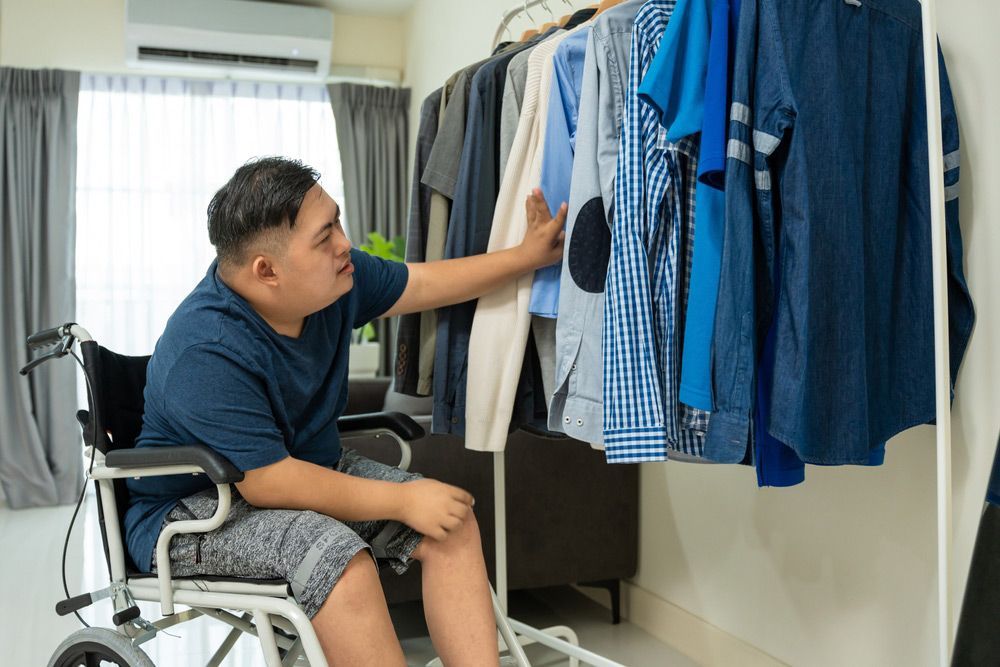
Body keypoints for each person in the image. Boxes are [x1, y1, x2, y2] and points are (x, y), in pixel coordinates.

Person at [121, 156, 567, 666]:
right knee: (337, 557)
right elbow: (269, 485)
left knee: (450, 522)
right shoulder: (205, 348)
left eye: (336, 221)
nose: (343, 243)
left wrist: (527, 256)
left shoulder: (333, 281)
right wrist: (401, 501)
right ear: (266, 271)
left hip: (303, 473)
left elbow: (424, 284)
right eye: (324, 235)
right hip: (194, 512)